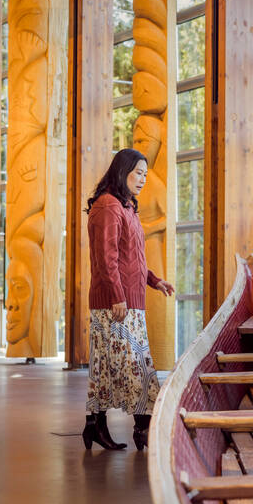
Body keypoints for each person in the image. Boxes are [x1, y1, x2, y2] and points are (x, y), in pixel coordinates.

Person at [83, 148, 175, 451]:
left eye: (146, 174)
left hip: (128, 304)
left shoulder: (126, 207)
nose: (143, 179)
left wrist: (154, 280)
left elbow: (131, 258)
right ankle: (142, 430)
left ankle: (95, 425)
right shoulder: (108, 206)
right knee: (137, 369)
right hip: (115, 305)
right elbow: (106, 259)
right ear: (122, 171)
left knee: (109, 368)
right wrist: (117, 297)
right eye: (138, 172)